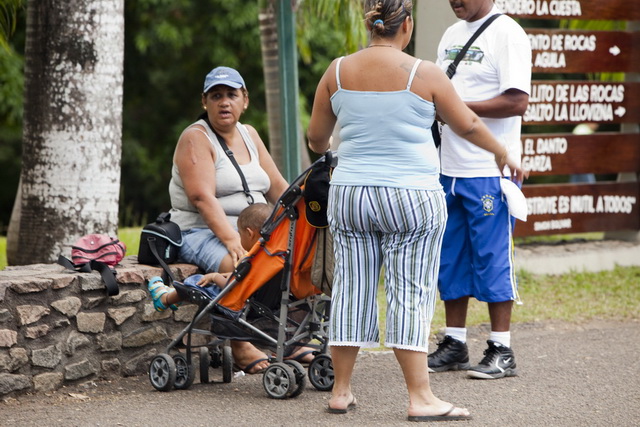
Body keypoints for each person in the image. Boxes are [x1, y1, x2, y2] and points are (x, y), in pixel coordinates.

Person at [307, 0, 526, 421]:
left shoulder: (335, 71)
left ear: (369, 25)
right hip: (410, 196)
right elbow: (466, 124)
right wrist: (503, 152)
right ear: (405, 25)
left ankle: (341, 390)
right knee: (411, 291)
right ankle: (420, 397)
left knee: (351, 288)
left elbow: (318, 139)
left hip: (351, 194)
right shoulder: (423, 72)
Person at [149, 66, 293, 374]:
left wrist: (301, 219)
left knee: (294, 259)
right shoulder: (195, 138)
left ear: (245, 100)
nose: (224, 102)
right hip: (202, 231)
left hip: (255, 228)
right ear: (205, 102)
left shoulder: (250, 134)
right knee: (238, 266)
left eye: (231, 95)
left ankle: (289, 339)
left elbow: (278, 187)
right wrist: (231, 241)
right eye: (216, 96)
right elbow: (202, 198)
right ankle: (239, 345)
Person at [427, 0, 532, 380]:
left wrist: (457, 109)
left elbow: (517, 101)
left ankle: (502, 349)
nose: (455, 1)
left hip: (489, 169)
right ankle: (455, 343)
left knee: (491, 258)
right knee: (450, 256)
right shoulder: (451, 35)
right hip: (449, 169)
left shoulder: (508, 34)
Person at [148, 202, 272, 310]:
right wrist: (232, 276)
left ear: (250, 234)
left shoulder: (250, 259)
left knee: (198, 282)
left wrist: (215, 277)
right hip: (264, 304)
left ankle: (165, 298)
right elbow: (250, 279)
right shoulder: (273, 257)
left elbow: (232, 287)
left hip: (240, 302)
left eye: (240, 234)